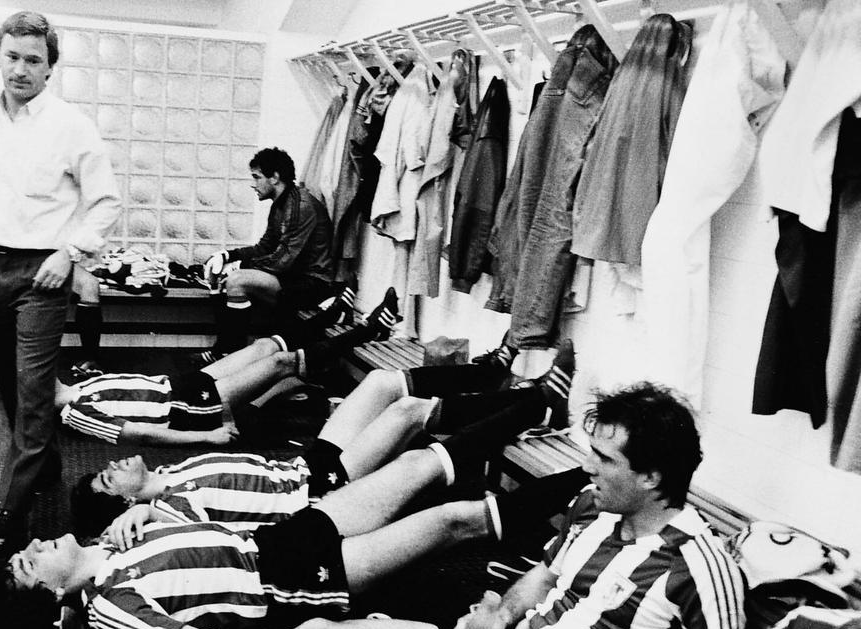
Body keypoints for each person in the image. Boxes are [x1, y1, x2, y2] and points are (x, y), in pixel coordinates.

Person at [0, 412, 591, 629]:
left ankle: (547, 425)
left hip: (281, 536)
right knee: (448, 523)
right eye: (28, 566)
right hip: (286, 580)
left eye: (23, 551)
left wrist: (143, 509)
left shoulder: (114, 537)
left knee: (415, 469)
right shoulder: (108, 605)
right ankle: (588, 492)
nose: (33, 549)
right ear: (53, 595)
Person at [69, 340, 575, 536]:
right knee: (407, 414)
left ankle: (489, 376)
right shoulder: (177, 514)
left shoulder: (173, 472)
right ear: (126, 505)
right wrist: (144, 521)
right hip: (324, 489)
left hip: (309, 463)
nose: (113, 466)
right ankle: (537, 403)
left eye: (105, 469)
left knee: (380, 383)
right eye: (109, 480)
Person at [0, 11, 123, 539]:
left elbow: (106, 202)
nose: (21, 69)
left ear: (49, 67)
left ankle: (12, 504)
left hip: (45, 271)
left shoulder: (71, 125)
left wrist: (70, 254)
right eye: (12, 57)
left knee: (34, 389)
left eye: (33, 60)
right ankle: (44, 466)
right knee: (8, 383)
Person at [443, 382, 752, 629]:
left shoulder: (699, 566)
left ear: (650, 477)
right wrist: (501, 615)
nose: (587, 466)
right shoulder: (592, 506)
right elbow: (545, 577)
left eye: (604, 458)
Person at [54, 289, 400, 447]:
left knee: (264, 347)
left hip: (179, 384)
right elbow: (139, 434)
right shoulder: (75, 412)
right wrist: (206, 436)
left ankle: (331, 317)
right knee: (280, 364)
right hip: (187, 407)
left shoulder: (79, 383)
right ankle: (369, 330)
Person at [196, 147, 337, 364]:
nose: (253, 184)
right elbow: (264, 247)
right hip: (293, 280)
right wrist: (227, 256)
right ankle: (224, 350)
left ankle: (230, 354)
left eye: (256, 177)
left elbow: (283, 260)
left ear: (275, 177)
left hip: (314, 285)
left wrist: (239, 267)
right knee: (226, 278)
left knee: (237, 280)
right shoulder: (281, 204)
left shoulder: (300, 205)